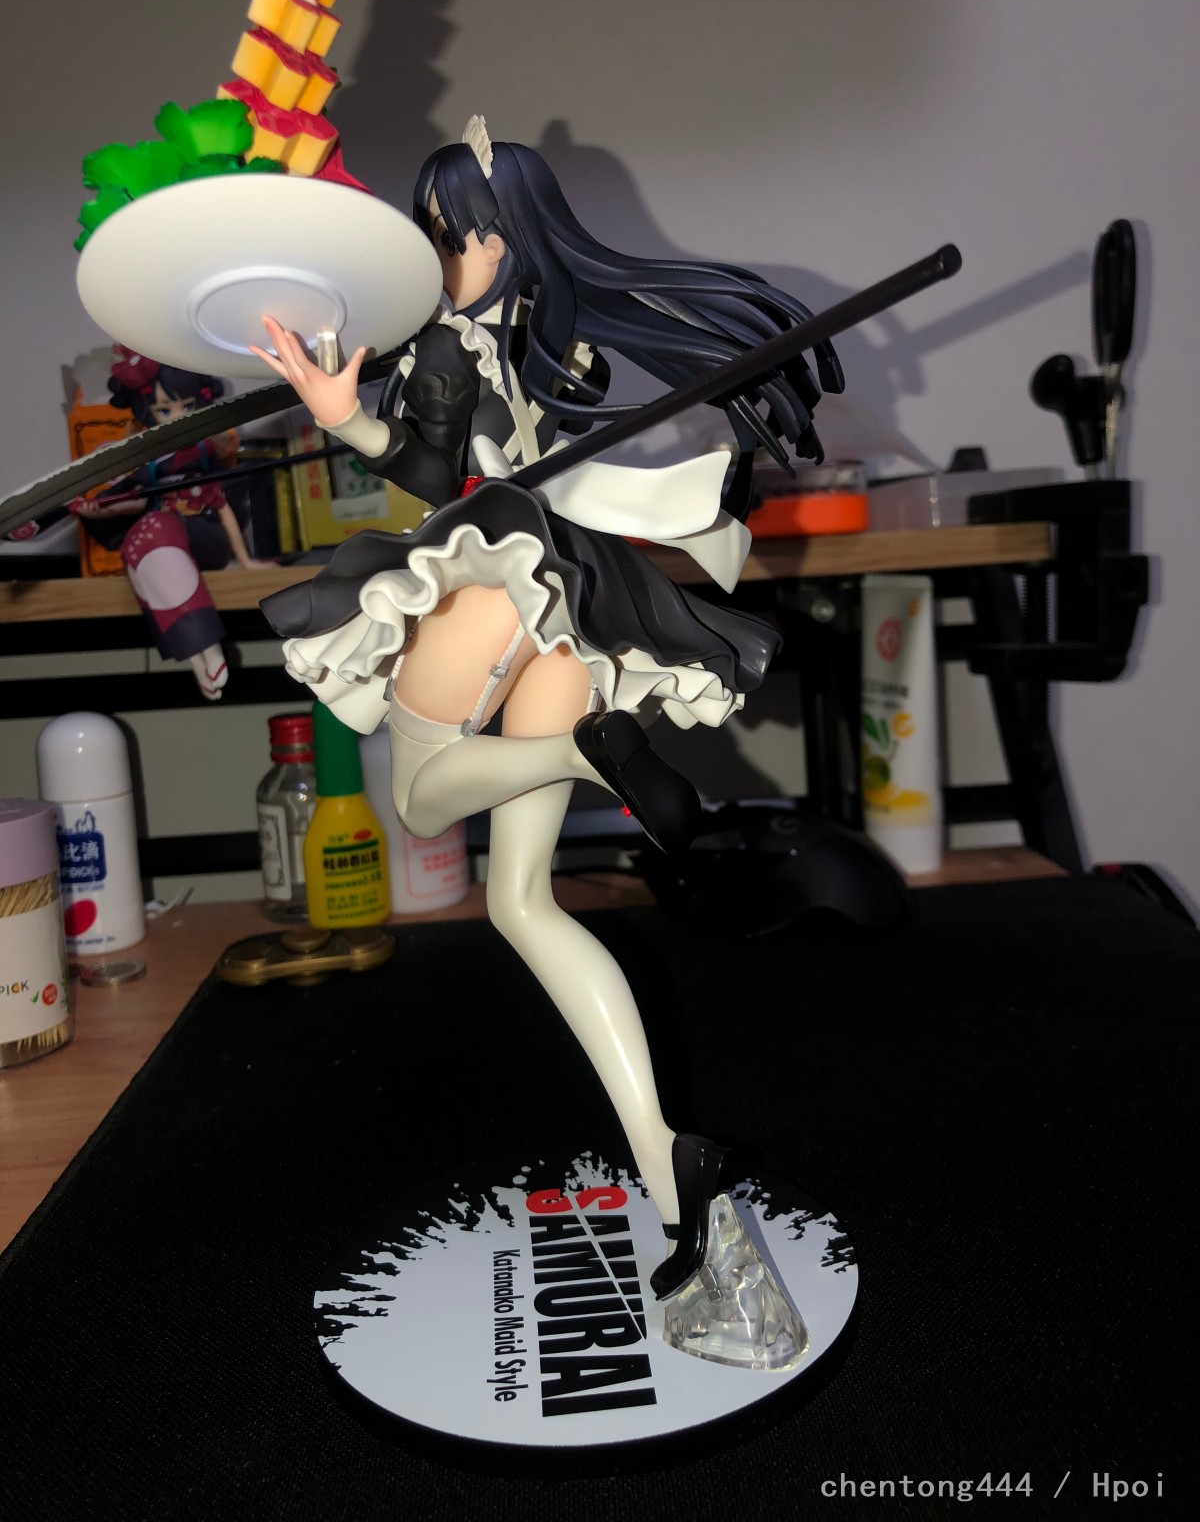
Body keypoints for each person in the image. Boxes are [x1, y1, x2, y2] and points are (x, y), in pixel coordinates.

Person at [256, 117, 842, 1312]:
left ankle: (580, 750)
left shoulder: (446, 341)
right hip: (567, 605)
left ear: (499, 237)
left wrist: (342, 412)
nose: (440, 252)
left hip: (493, 583)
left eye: (453, 233)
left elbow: (429, 473)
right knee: (521, 901)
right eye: (433, 232)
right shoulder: (546, 336)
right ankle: (670, 1166)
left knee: (421, 799)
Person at [75, 349, 270, 698]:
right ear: (147, 412)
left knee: (151, 531)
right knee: (137, 544)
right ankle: (199, 655)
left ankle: (204, 647)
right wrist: (99, 512)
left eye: (187, 407)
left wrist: (244, 560)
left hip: (205, 537)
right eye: (165, 410)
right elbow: (135, 500)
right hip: (167, 542)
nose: (178, 418)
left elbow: (222, 505)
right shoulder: (152, 462)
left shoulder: (202, 456)